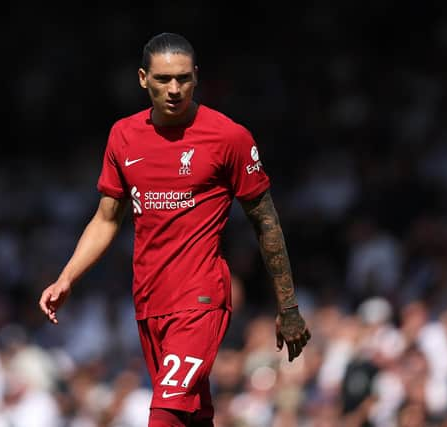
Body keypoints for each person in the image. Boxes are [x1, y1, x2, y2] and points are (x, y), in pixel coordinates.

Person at [38, 32, 310, 427]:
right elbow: (107, 218)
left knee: (163, 415)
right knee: (192, 416)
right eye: (164, 79)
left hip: (200, 300)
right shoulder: (124, 136)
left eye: (183, 78)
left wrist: (287, 307)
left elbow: (265, 220)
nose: (175, 89)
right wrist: (67, 278)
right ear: (142, 79)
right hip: (149, 301)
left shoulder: (228, 137)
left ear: (196, 77)